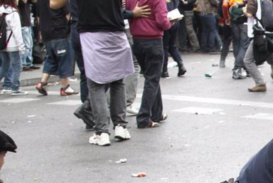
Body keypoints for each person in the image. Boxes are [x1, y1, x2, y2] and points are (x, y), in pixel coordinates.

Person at [51, 0, 135, 146]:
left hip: (92, 33)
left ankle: (102, 132)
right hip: (116, 31)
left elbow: (54, 4)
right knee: (117, 81)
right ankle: (120, 126)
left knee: (96, 84)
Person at [126, 0, 172, 129]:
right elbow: (162, 21)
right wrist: (170, 23)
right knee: (152, 80)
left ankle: (157, 113)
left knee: (151, 77)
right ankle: (144, 117)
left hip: (137, 40)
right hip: (153, 40)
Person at [34, 0, 77, 95]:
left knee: (51, 58)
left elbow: (38, 18)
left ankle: (42, 82)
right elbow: (67, 15)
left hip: (46, 32)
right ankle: (65, 87)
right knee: (64, 58)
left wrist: (40, 32)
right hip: (59, 30)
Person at [0, 0, 27, 95]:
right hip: (12, 44)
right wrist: (21, 47)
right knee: (17, 66)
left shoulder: (1, 11)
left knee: (4, 65)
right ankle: (15, 87)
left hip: (2, 43)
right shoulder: (13, 13)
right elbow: (17, 32)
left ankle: (12, 86)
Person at [161, 0, 186, 77]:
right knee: (172, 45)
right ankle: (180, 64)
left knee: (164, 46)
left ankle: (164, 70)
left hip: (167, 19)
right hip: (175, 18)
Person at [17, 0, 34, 71]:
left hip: (27, 23)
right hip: (23, 24)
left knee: (30, 45)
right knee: (26, 45)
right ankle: (23, 63)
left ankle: (28, 63)